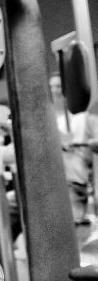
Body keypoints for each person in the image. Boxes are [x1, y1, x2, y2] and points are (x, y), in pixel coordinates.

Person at [49, 73, 92, 225]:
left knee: (69, 230)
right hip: (49, 183)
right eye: (51, 87)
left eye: (58, 86)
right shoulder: (48, 118)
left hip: (72, 183)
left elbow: (83, 149)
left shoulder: (81, 118)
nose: (54, 90)